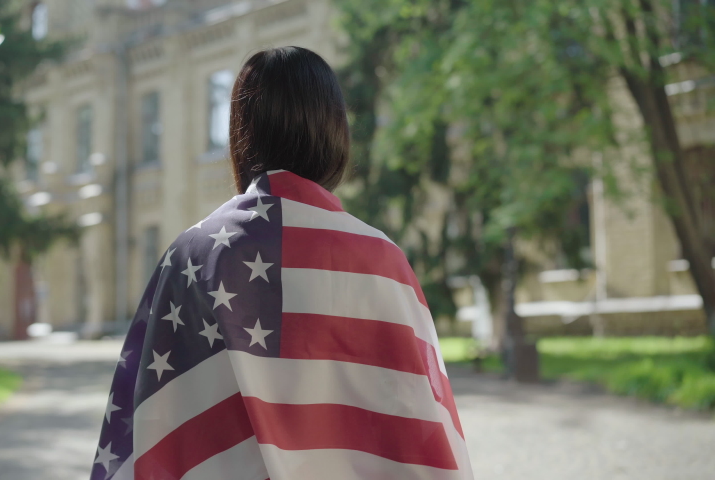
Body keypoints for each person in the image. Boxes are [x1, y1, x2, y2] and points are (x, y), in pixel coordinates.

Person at [91, 46, 473, 480]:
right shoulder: (382, 259)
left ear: (241, 135)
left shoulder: (191, 256)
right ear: (335, 132)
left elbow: (152, 420)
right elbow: (420, 419)